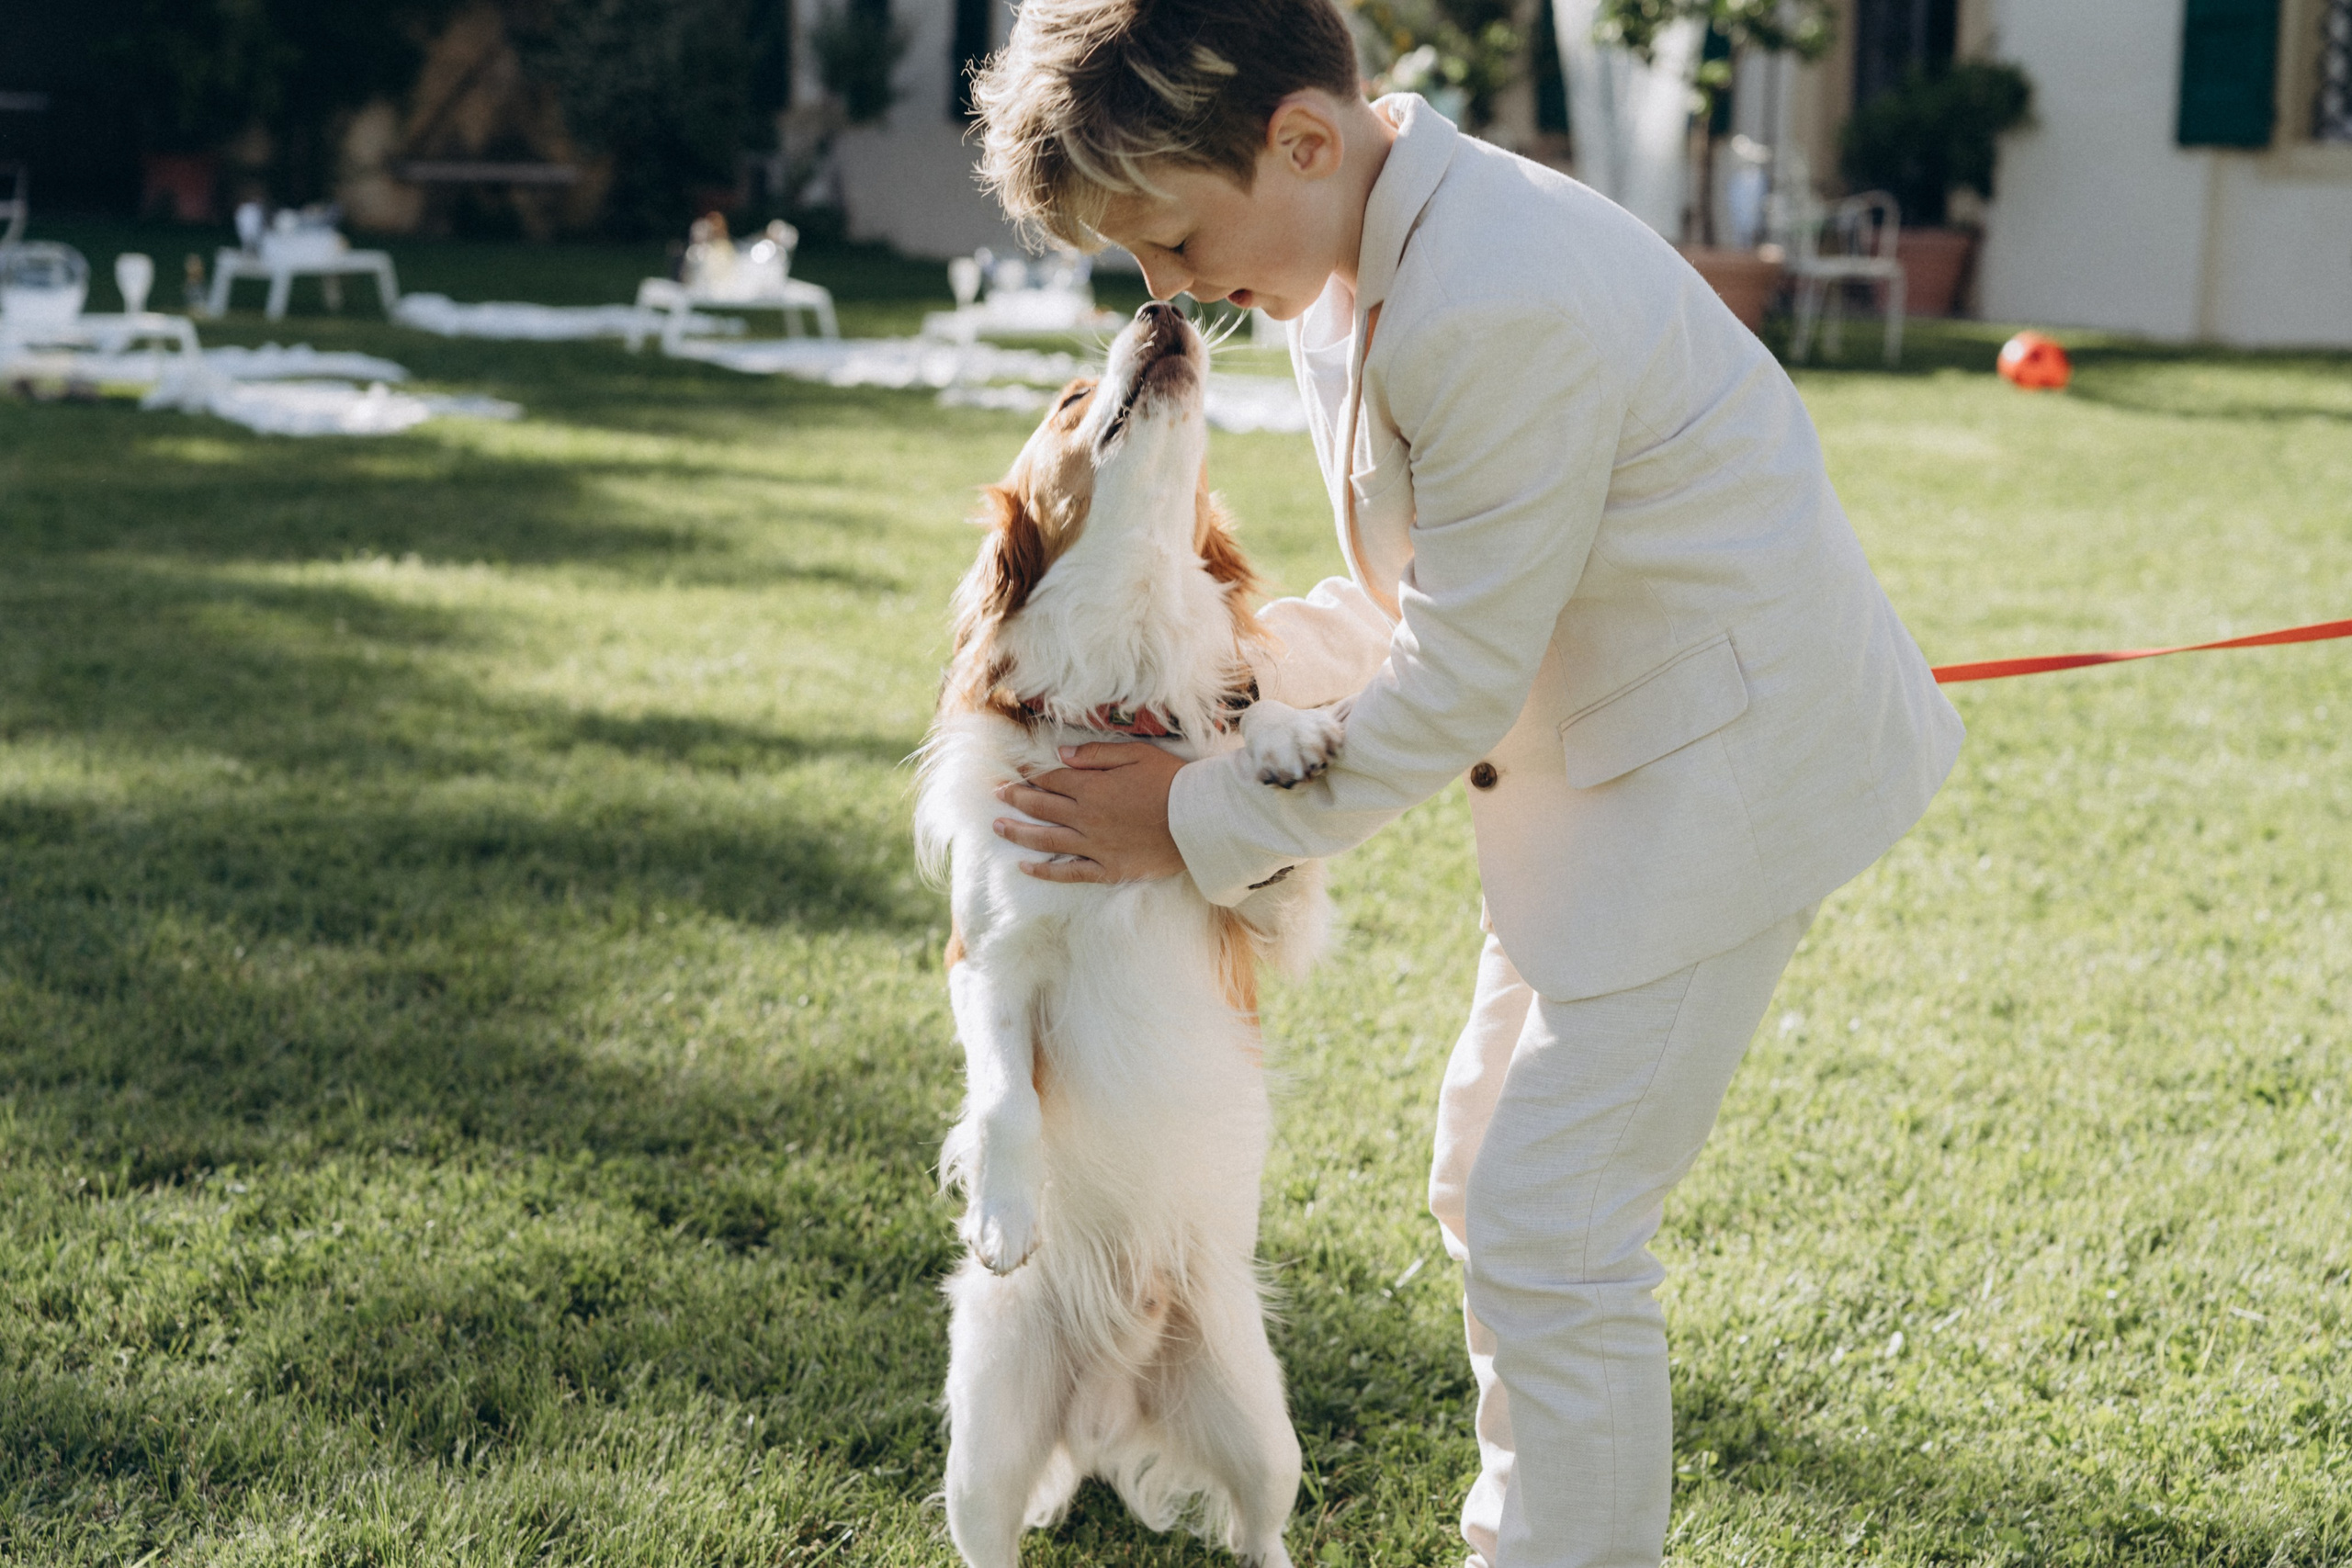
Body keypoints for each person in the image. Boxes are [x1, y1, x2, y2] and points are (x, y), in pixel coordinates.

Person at [967, 3, 1962, 1563]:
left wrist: (1181, 820)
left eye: (1173, 237)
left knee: (1554, 1223)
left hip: (1720, 781)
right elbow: (1424, 598)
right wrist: (1214, 693)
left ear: (1302, 140)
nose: (1165, 287)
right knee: (1487, 1180)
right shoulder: (1348, 264)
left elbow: (1451, 683)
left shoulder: (1490, 297)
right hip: (1602, 770)